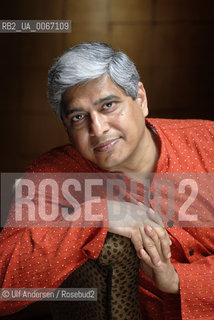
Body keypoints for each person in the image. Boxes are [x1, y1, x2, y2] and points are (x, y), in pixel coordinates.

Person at [0, 42, 214, 320]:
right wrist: (95, 215)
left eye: (109, 106)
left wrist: (179, 281)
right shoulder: (54, 176)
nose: (98, 129)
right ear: (66, 128)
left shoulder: (207, 141)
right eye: (78, 117)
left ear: (140, 99)